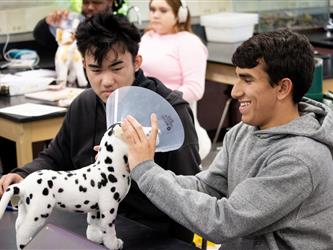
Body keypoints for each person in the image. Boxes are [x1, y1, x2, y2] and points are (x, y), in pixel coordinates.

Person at [122, 29, 333, 249]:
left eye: (247, 80)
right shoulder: (243, 131)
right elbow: (207, 187)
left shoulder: (301, 158)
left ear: (282, 88)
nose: (235, 91)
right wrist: (135, 166)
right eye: (237, 78)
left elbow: (225, 222)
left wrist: (146, 172)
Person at [0, 12, 200, 243]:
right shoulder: (84, 104)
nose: (106, 81)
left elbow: (189, 199)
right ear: (83, 65)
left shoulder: (169, 113)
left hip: (152, 233)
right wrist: (23, 175)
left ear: (136, 62)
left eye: (116, 68)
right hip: (90, 229)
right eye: (95, 70)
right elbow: (55, 158)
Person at [139, 0, 211, 159]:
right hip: (144, 119)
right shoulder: (147, 37)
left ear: (180, 15)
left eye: (163, 10)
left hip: (174, 119)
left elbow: (194, 89)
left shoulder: (189, 42)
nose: (155, 15)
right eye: (152, 9)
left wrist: (160, 102)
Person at [33, 0, 127, 60]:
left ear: (110, 2)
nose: (90, 7)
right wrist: (48, 22)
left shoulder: (120, 26)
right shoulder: (77, 24)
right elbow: (40, 36)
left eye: (96, 2)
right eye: (86, 2)